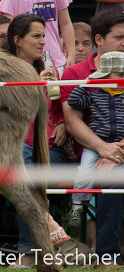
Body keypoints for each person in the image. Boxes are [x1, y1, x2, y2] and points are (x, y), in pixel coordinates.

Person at [2, 14, 72, 267]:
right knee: (25, 165)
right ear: (18, 40)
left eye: (44, 36)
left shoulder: (45, 70)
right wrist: (35, 86)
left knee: (30, 167)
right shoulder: (5, 69)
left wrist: (63, 122)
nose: (43, 41)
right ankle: (41, 235)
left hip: (49, 148)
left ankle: (33, 249)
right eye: (36, 36)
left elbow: (57, 110)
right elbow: (5, 110)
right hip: (14, 147)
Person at [62, 9, 124, 267]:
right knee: (89, 177)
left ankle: (107, 253)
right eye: (120, 37)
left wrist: (118, 151)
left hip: (119, 147)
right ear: (99, 40)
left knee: (114, 175)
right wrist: (104, 149)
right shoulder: (78, 73)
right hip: (90, 148)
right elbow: (72, 118)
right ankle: (76, 217)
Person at [67, 52, 124, 234]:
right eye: (119, 75)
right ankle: (77, 207)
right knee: (84, 172)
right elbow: (73, 100)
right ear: (105, 76)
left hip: (120, 144)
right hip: (96, 144)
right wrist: (88, 81)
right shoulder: (95, 94)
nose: (122, 79)